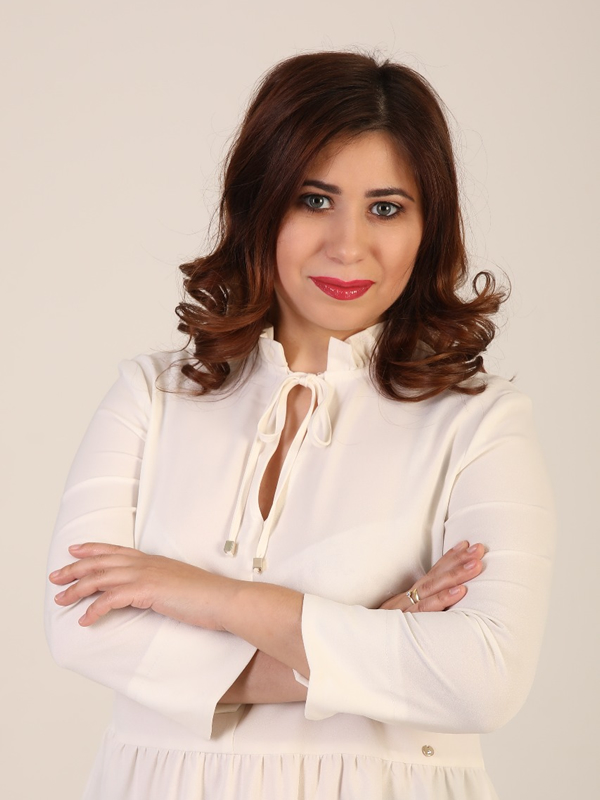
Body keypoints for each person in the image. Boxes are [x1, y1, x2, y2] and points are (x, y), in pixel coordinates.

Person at [45, 51, 555, 799]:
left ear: (429, 227)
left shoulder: (481, 422)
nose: (348, 245)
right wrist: (373, 636)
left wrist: (207, 597)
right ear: (260, 205)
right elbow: (79, 624)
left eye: (387, 208)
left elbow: (484, 680)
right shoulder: (150, 396)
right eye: (315, 200)